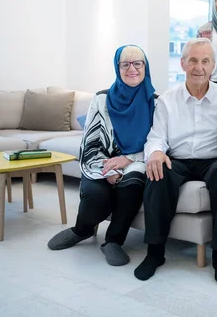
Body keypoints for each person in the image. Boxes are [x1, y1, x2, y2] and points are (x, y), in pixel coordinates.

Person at [134, 38, 217, 286]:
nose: (199, 67)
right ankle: (155, 253)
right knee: (157, 171)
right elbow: (156, 137)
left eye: (205, 61)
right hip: (178, 159)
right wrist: (155, 153)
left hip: (214, 160)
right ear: (183, 63)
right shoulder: (167, 100)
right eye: (193, 60)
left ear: (213, 66)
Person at [47, 45, 156, 267]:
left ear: (145, 67)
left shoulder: (155, 101)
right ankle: (81, 230)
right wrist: (110, 170)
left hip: (137, 162)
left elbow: (159, 143)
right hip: (102, 163)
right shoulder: (101, 99)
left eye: (138, 63)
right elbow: (90, 142)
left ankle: (113, 241)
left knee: (133, 184)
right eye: (124, 64)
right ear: (117, 68)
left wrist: (128, 160)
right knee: (96, 195)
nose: (131, 68)